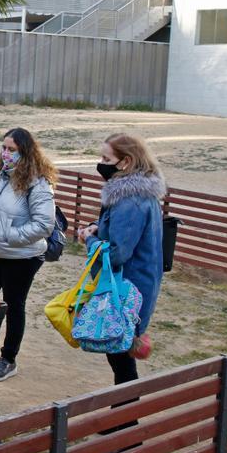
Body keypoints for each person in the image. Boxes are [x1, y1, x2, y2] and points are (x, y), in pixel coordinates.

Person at [0, 127, 58, 382]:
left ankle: (8, 359)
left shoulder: (37, 183)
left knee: (13, 304)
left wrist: (10, 236)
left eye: (12, 150)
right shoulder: (1, 176)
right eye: (4, 148)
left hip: (21, 257)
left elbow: (44, 224)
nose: (6, 153)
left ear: (25, 153)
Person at [77, 133, 165, 386]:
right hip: (133, 284)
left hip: (126, 290)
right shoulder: (135, 194)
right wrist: (97, 226)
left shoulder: (130, 200)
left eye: (106, 158)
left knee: (121, 358)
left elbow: (117, 253)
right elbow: (122, 231)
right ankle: (124, 416)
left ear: (125, 162)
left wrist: (89, 240)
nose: (101, 163)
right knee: (121, 356)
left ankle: (126, 418)